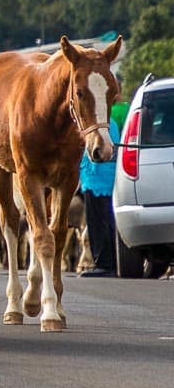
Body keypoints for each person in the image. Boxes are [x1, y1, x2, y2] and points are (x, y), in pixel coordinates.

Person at [78, 118, 120, 277]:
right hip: (107, 178)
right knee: (108, 221)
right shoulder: (112, 124)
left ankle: (103, 263)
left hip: (96, 178)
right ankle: (112, 263)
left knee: (97, 222)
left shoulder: (96, 125)